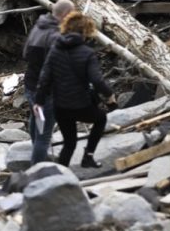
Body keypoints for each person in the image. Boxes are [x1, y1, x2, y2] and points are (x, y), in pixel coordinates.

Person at [33, 12, 117, 168]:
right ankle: (88, 156)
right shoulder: (87, 53)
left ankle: (60, 175)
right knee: (101, 119)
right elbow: (97, 80)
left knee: (69, 143)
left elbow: (44, 79)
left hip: (60, 107)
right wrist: (109, 95)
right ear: (86, 31)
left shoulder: (55, 50)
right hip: (81, 105)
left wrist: (38, 102)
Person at [23, 0, 75, 165]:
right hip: (46, 93)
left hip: (30, 85)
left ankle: (35, 153)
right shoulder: (56, 36)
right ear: (66, 14)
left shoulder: (38, 26)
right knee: (44, 138)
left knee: (36, 118)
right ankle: (36, 172)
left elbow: (25, 55)